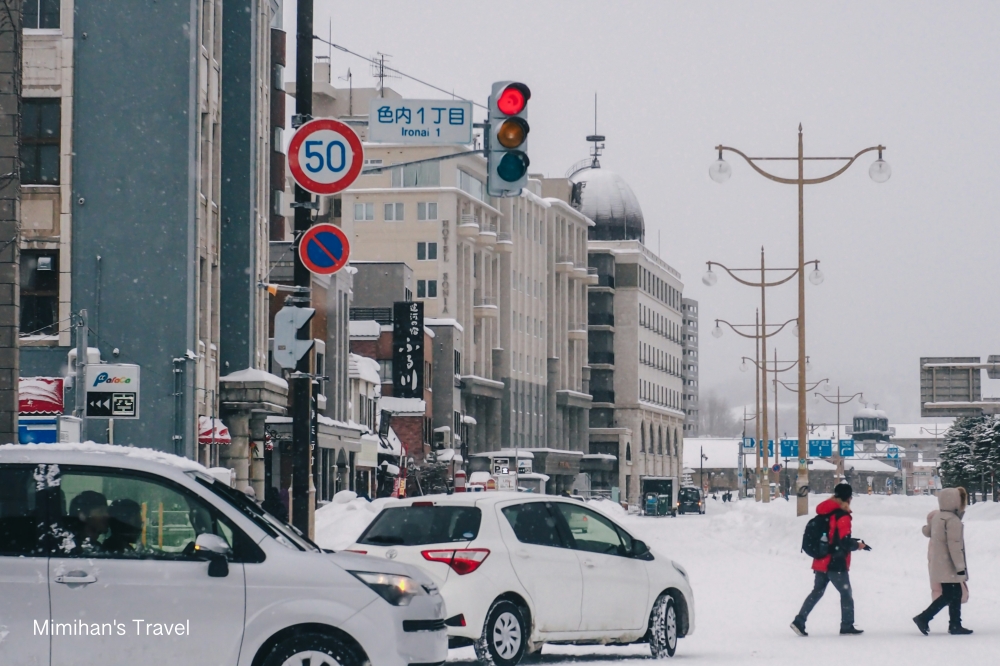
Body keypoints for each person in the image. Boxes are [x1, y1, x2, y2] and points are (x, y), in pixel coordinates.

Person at [791, 483, 868, 636]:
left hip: (821, 559)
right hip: (836, 561)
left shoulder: (826, 512)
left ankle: (799, 621)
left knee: (817, 591)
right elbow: (844, 541)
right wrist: (858, 545)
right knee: (846, 593)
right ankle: (847, 625)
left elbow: (833, 536)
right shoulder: (842, 516)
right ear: (848, 498)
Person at [913, 487, 972, 635]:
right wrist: (960, 566)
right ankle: (924, 617)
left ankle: (954, 624)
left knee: (953, 593)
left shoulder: (938, 517)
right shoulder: (953, 521)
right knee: (951, 594)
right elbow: (954, 545)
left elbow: (927, 531)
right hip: (950, 564)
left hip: (939, 562)